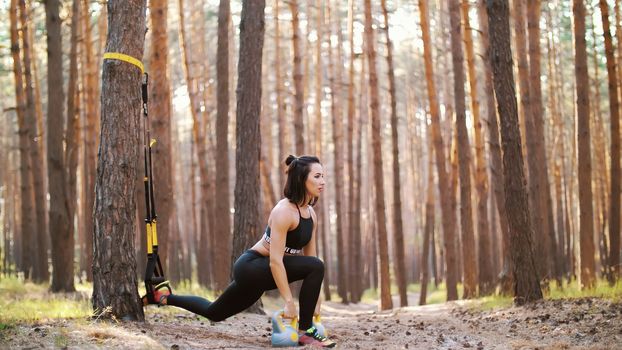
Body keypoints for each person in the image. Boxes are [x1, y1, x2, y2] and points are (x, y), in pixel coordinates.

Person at [148, 155, 336, 348]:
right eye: (317, 176)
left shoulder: (311, 214)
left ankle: (162, 297)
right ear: (301, 179)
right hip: (251, 267)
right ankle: (306, 332)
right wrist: (288, 301)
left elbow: (310, 258)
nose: (322, 182)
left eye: (323, 176)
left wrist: (316, 299)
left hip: (264, 274)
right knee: (316, 266)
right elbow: (276, 261)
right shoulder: (284, 212)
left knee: (215, 312)